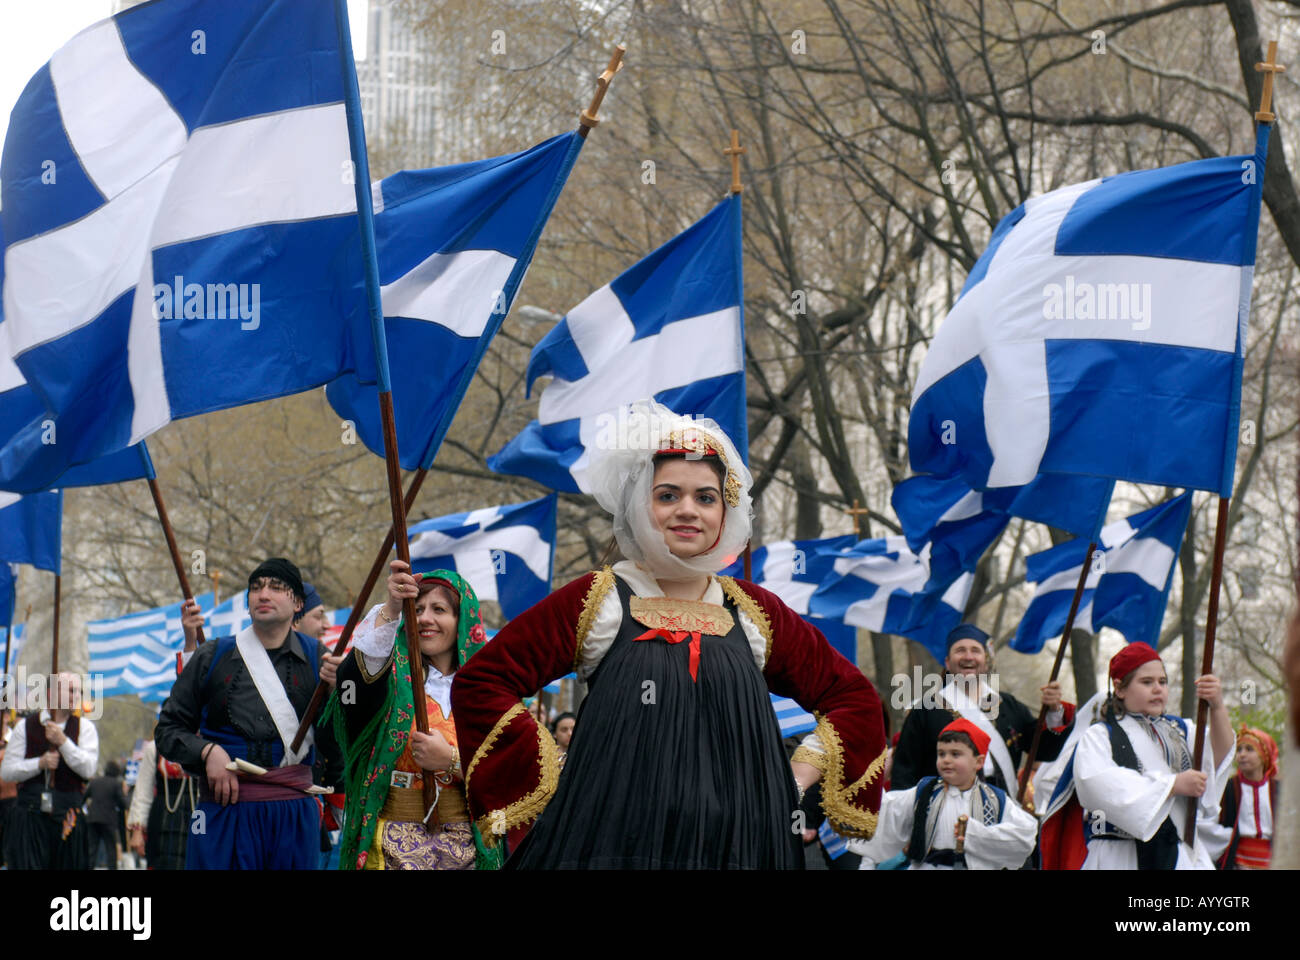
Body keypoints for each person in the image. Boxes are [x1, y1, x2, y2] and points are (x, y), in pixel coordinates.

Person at [452, 400, 887, 868]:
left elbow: (854, 698)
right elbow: (483, 682)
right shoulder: (599, 598)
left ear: (726, 512)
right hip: (615, 840)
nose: (687, 511)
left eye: (705, 497)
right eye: (667, 495)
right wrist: (556, 773)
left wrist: (793, 779)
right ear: (642, 504)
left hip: (745, 843)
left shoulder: (755, 611)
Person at [155, 558, 343, 869]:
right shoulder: (212, 655)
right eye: (255, 588)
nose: (263, 594)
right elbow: (168, 729)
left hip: (293, 817)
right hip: (224, 811)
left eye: (276, 588)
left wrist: (339, 697)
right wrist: (207, 752)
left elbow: (338, 741)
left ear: (297, 602)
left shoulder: (319, 659)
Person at [322, 564, 500, 870]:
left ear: (462, 620)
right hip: (391, 849)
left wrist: (452, 761)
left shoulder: (491, 691)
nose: (425, 618)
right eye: (416, 609)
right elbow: (354, 683)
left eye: (440, 609)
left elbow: (510, 771)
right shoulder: (390, 682)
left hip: (470, 848)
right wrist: (392, 606)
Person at [1042, 642, 1234, 870]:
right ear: (1120, 688)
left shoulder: (1182, 729)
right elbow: (1096, 785)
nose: (1158, 689)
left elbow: (1217, 758)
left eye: (1162, 682)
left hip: (1179, 855)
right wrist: (1172, 785)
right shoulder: (1100, 735)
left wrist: (1218, 707)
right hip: (1119, 856)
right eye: (1147, 682)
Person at [891, 624, 1074, 794]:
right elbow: (904, 771)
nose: (968, 657)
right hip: (942, 809)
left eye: (975, 651)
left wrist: (1053, 711)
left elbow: (1043, 750)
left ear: (985, 662)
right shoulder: (925, 710)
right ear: (947, 662)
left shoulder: (1008, 705)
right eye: (960, 650)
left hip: (1001, 808)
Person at [852, 718, 1038, 869]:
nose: (946, 760)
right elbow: (885, 810)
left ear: (979, 762)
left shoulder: (995, 799)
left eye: (955, 754)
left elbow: (1024, 835)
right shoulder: (924, 792)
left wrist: (975, 834)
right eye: (941, 754)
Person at [0, 673, 98, 869]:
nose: (76, 696)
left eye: (79, 691)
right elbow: (7, 772)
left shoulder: (85, 728)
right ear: (51, 693)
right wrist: (39, 764)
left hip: (67, 819)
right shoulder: (25, 727)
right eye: (71, 690)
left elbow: (88, 769)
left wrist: (63, 742)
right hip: (30, 816)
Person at [126, 738, 196, 870]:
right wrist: (138, 831)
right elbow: (143, 790)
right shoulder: (156, 746)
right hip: (163, 815)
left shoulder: (208, 742)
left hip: (198, 815)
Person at [1217, 725, 1280, 869]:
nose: (1242, 754)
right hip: (1238, 860)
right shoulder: (1229, 788)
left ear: (1264, 756)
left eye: (1249, 749)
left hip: (1270, 861)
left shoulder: (1277, 789)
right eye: (1239, 749)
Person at [85, 760, 126, 869]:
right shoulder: (116, 783)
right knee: (111, 848)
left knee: (92, 848)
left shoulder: (95, 782)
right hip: (109, 820)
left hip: (93, 818)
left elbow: (84, 796)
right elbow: (122, 802)